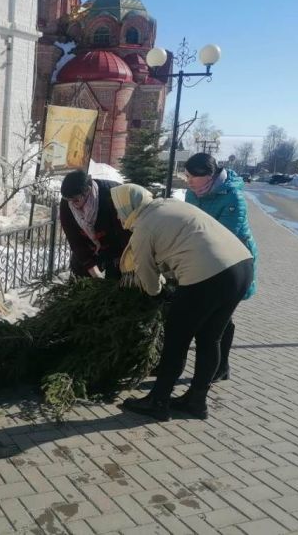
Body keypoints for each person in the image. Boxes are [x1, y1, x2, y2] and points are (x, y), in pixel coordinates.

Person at [111, 184, 253, 421]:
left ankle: (158, 401)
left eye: (118, 209)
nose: (117, 215)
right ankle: (196, 401)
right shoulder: (168, 204)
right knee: (211, 338)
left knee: (176, 340)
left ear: (129, 206)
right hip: (241, 267)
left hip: (208, 276)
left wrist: (158, 295)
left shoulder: (144, 227)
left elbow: (146, 274)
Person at [184, 153, 258, 381]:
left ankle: (221, 365)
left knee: (221, 317)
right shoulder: (192, 193)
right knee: (219, 318)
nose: (187, 181)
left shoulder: (232, 196)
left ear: (208, 176)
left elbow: (225, 237)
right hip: (204, 257)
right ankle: (219, 366)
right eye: (185, 176)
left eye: (192, 177)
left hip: (233, 260)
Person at [59, 170, 131, 279]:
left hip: (116, 244)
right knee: (81, 273)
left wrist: (125, 258)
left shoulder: (111, 196)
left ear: (87, 191)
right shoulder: (68, 203)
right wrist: (93, 271)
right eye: (68, 200)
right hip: (90, 246)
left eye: (76, 200)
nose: (72, 204)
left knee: (117, 278)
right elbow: (74, 239)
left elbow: (125, 232)